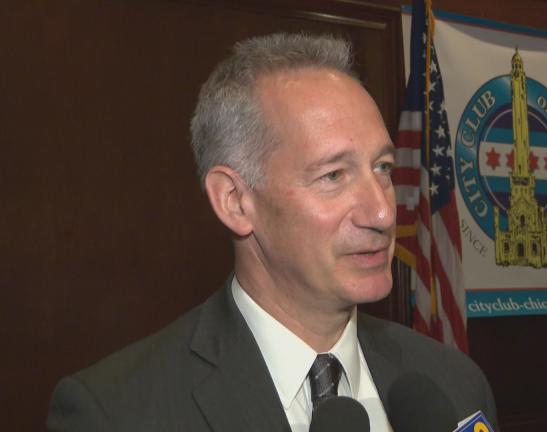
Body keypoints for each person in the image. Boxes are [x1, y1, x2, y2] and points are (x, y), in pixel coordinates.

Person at [47, 33, 498, 432]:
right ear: (235, 201)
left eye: (382, 167)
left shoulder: (455, 384)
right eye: (333, 176)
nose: (382, 212)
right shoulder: (117, 413)